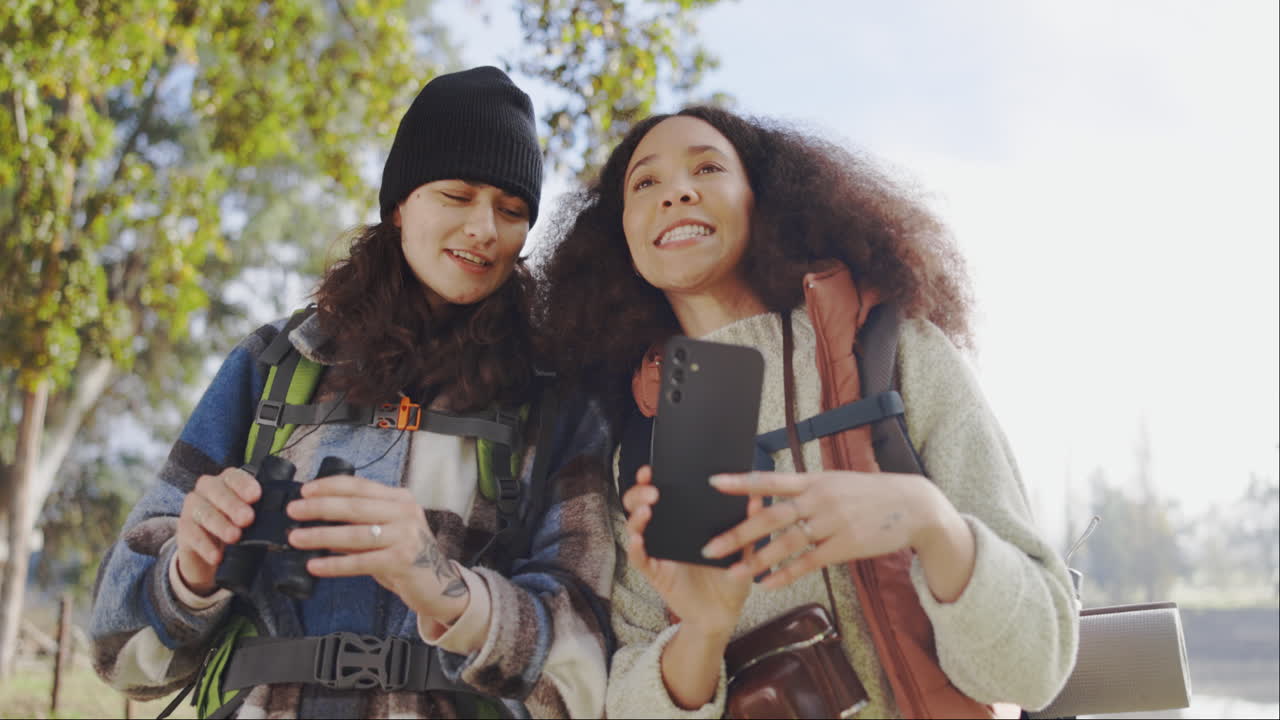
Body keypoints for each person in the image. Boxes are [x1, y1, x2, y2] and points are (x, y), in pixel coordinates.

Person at [89, 66, 614, 719]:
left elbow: (587, 672)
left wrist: (444, 588)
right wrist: (190, 569)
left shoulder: (557, 401)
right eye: (457, 195)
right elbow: (118, 653)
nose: (486, 227)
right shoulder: (274, 363)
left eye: (511, 210)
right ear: (399, 205)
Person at [535, 106, 1079, 717]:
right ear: (622, 236)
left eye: (707, 168)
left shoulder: (893, 352)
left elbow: (1036, 666)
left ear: (760, 198)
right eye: (645, 183)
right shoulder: (639, 437)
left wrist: (929, 522)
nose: (676, 192)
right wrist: (702, 634)